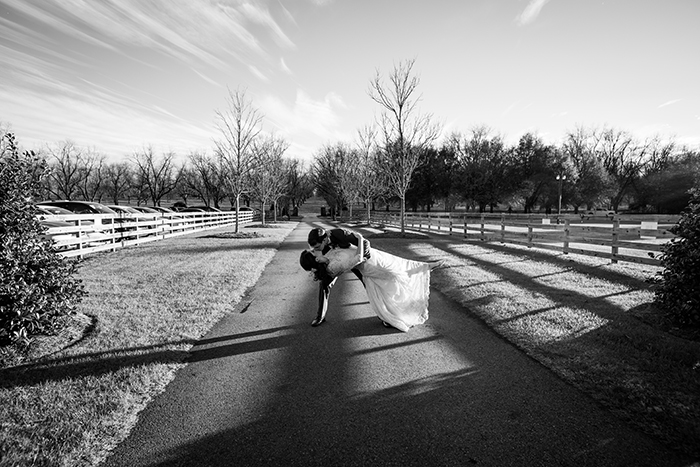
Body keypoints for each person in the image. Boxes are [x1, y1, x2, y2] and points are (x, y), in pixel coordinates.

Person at [300, 234, 444, 332]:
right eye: (313, 252)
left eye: (314, 248)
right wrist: (361, 239)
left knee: (393, 268)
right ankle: (425, 268)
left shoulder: (326, 251)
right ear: (316, 260)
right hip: (366, 262)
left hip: (369, 258)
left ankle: (424, 267)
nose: (314, 250)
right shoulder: (331, 265)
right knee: (393, 273)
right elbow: (358, 258)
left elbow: (340, 241)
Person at [303, 227, 370, 327]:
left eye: (317, 247)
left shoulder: (340, 234)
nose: (316, 250)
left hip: (353, 258)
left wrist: (364, 256)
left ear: (324, 240)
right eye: (314, 248)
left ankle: (382, 314)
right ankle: (320, 316)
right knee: (324, 285)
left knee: (367, 283)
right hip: (335, 263)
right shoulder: (322, 244)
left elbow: (364, 242)